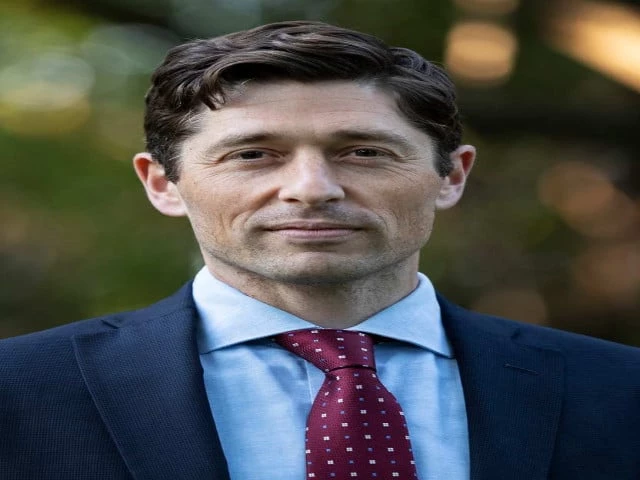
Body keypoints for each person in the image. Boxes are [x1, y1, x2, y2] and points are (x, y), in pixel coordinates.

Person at [1, 20, 638, 480]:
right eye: (253, 154)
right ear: (163, 184)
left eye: (364, 151)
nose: (312, 189)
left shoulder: (619, 389)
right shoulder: (18, 392)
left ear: (451, 176)